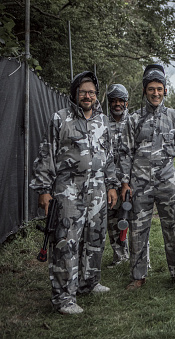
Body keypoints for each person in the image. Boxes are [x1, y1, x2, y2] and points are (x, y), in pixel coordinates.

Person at [30, 71, 119, 314]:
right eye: (83, 92)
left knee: (95, 238)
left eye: (91, 92)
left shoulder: (103, 121)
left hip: (98, 190)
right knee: (66, 243)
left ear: (96, 95)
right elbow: (47, 153)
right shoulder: (60, 119)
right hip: (68, 192)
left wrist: (111, 185)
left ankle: (88, 283)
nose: (87, 96)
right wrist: (43, 189)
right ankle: (63, 298)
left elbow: (109, 156)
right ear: (75, 94)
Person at [119, 64, 175, 290]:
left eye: (159, 88)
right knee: (138, 229)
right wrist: (124, 182)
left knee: (174, 228)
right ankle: (138, 275)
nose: (156, 93)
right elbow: (125, 152)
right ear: (144, 90)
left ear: (165, 90)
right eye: (151, 89)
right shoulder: (133, 119)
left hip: (167, 183)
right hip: (139, 185)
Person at [105, 84, 130, 267]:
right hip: (110, 182)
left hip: (131, 181)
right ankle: (119, 256)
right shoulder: (102, 124)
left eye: (120, 100)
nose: (117, 104)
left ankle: (139, 257)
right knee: (112, 219)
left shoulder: (134, 122)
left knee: (132, 219)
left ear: (126, 102)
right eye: (113, 101)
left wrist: (128, 181)